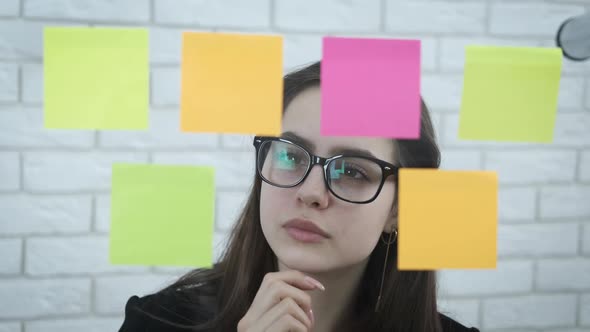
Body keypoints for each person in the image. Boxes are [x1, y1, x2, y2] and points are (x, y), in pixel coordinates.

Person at [119, 61, 480, 332]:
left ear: (399, 209)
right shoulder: (157, 321)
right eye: (291, 156)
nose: (310, 193)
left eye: (351, 171)